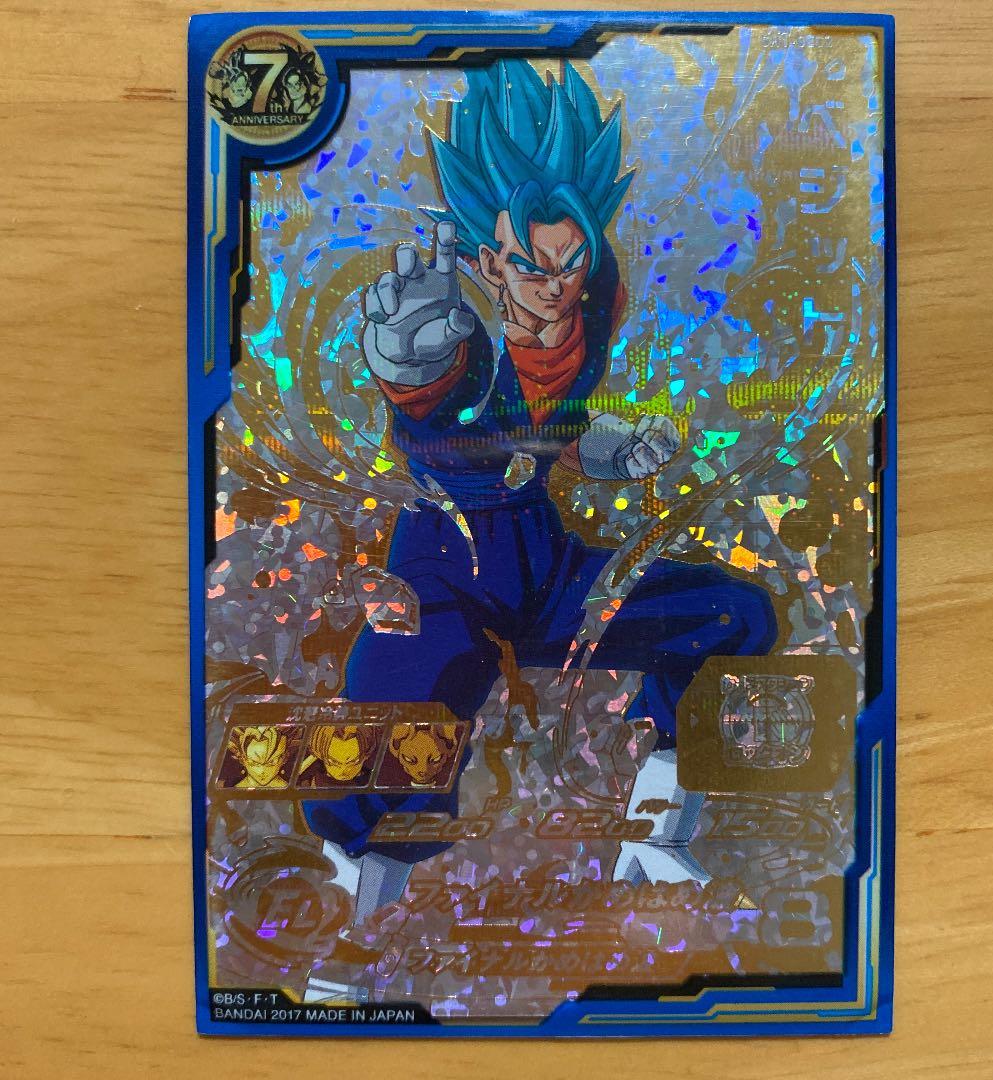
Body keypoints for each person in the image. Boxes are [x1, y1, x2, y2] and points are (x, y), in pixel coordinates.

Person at [302, 59, 776, 904]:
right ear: (490, 263)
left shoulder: (588, 312)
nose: (556, 287)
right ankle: (344, 901)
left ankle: (658, 829)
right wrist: (410, 371)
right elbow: (441, 418)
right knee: (380, 755)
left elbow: (551, 433)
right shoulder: (457, 337)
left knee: (730, 615)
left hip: (546, 573)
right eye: (532, 267)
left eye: (572, 261)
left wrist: (613, 449)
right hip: (447, 577)